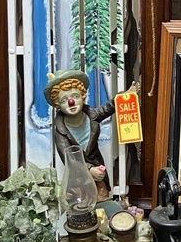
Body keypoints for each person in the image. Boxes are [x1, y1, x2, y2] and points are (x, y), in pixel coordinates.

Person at [45, 70, 139, 204]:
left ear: (83, 96)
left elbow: (108, 107)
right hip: (78, 178)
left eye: (75, 96)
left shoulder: (92, 116)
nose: (71, 102)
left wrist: (125, 96)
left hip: (98, 172)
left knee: (102, 200)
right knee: (81, 204)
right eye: (64, 100)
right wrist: (89, 170)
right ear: (58, 104)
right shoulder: (60, 131)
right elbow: (69, 159)